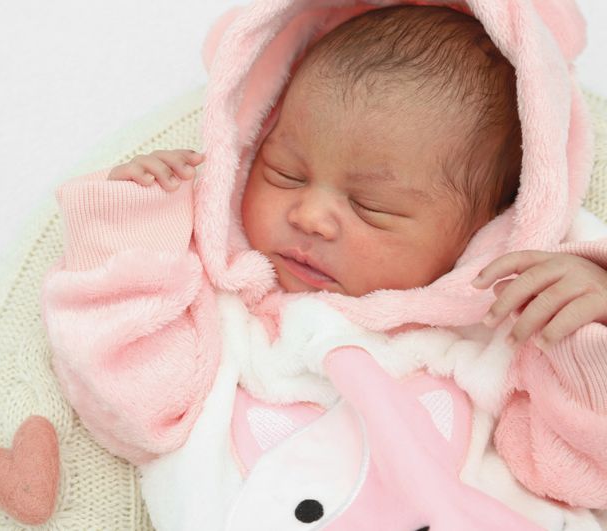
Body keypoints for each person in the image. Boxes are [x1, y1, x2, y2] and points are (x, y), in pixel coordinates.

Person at [41, 3, 607, 529]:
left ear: (487, 230)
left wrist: (583, 340)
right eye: (285, 172)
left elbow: (577, 474)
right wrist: (131, 231)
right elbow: (130, 402)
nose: (309, 216)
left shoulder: (498, 335)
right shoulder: (228, 314)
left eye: (372, 207)